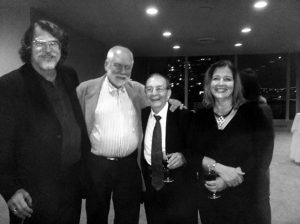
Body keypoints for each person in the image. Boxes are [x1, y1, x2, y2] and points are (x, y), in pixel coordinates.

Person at [76, 46, 182, 224]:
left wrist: (174, 101)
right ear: (106, 64)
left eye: (128, 67)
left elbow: (158, 98)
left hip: (128, 165)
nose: (123, 71)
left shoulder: (137, 89)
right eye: (118, 66)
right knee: (96, 213)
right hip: (97, 164)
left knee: (128, 214)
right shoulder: (85, 90)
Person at [0, 20, 90, 224]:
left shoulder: (70, 75)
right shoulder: (9, 85)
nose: (48, 50)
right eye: (40, 43)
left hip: (71, 182)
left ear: (61, 48)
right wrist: (10, 189)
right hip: (33, 189)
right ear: (28, 47)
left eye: (54, 44)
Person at [190, 60, 274, 224]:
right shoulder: (200, 117)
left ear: (236, 84)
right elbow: (192, 153)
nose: (221, 83)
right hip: (212, 196)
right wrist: (218, 168)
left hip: (249, 196)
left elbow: (263, 155)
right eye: (216, 78)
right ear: (209, 83)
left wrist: (229, 180)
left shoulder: (254, 112)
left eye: (227, 79)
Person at [140, 73, 197, 224]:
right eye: (150, 89)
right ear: (145, 92)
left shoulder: (184, 116)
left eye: (159, 89)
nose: (154, 94)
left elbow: (197, 147)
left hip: (180, 187)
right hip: (152, 186)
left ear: (168, 92)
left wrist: (183, 156)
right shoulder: (141, 116)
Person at [240, 68, 274, 224]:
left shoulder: (259, 110)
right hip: (251, 174)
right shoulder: (254, 107)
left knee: (257, 212)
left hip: (254, 175)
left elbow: (264, 152)